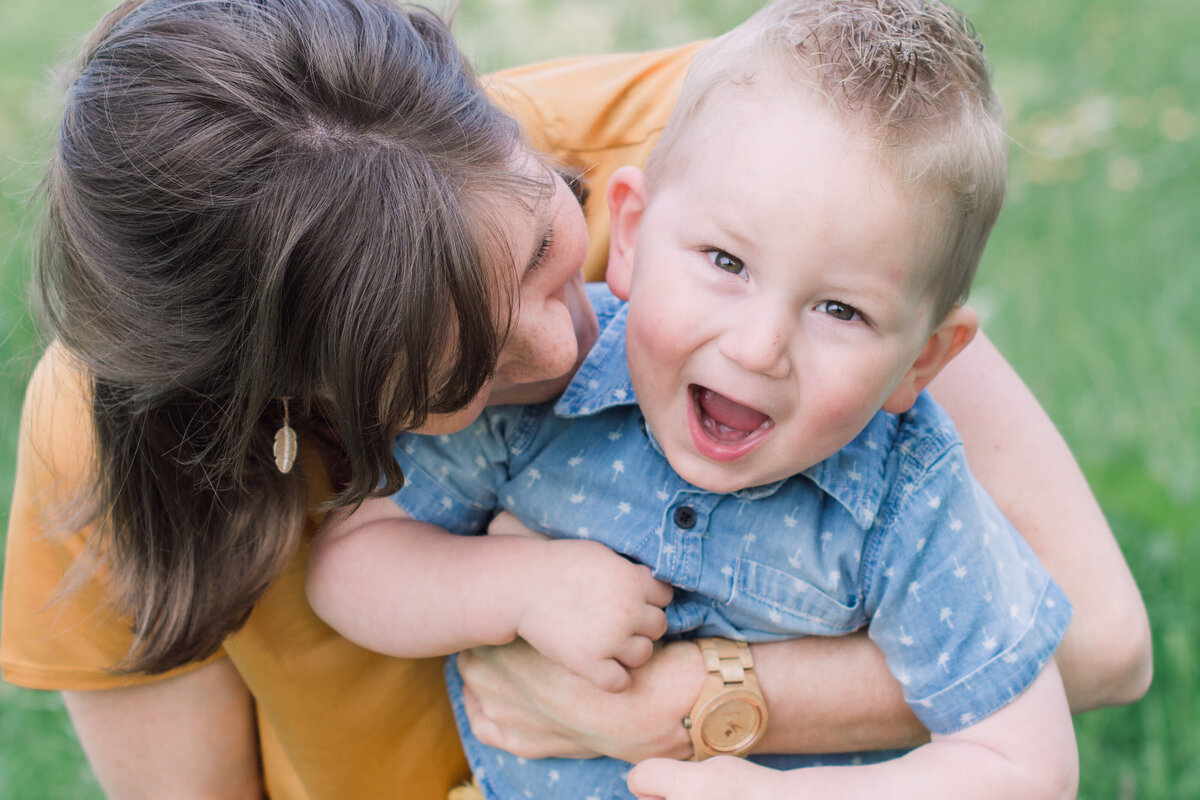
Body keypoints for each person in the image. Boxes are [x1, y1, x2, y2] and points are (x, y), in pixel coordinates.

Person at [0, 0, 1149, 797]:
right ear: (295, 401)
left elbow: (1097, 641)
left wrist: (684, 708)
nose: (570, 338)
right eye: (465, 380)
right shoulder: (120, 434)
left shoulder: (762, 161)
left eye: (551, 242)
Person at [306, 2, 1077, 799]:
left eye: (840, 310)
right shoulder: (539, 400)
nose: (756, 347)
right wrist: (514, 585)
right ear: (633, 235)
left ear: (922, 360)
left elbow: (1027, 764)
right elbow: (348, 569)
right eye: (725, 260)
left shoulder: (906, 498)